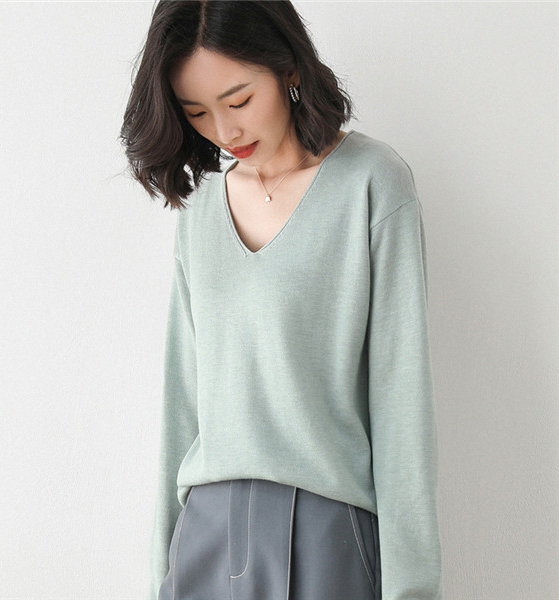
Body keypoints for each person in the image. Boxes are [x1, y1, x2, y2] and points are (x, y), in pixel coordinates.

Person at [120, 1, 442, 599]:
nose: (225, 132)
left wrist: (412, 590)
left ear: (288, 66)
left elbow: (402, 402)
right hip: (206, 536)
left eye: (239, 100)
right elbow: (181, 401)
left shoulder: (371, 183)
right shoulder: (201, 210)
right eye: (197, 111)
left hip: (328, 533)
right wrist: (160, 574)